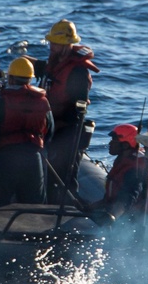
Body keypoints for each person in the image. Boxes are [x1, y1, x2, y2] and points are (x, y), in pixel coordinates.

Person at [33, 19, 99, 194]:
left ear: (67, 45)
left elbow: (77, 110)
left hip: (67, 131)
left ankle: (68, 204)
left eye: (56, 43)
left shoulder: (78, 72)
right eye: (51, 42)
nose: (52, 46)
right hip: (49, 127)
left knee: (65, 177)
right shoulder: (53, 65)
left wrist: (56, 126)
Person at [0, 56, 53, 207]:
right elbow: (49, 132)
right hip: (33, 159)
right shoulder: (43, 101)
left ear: (11, 78)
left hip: (6, 158)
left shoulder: (0, 102)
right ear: (30, 79)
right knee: (34, 208)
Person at [101, 124, 148, 219]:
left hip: (145, 217)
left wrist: (113, 216)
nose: (110, 143)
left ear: (125, 145)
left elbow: (129, 195)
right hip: (134, 212)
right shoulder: (123, 159)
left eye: (114, 140)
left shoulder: (134, 168)